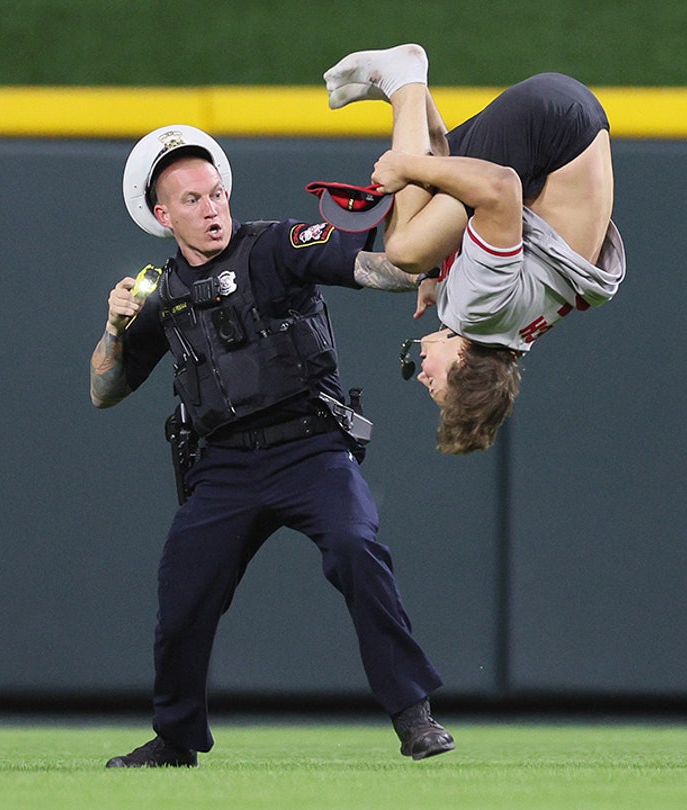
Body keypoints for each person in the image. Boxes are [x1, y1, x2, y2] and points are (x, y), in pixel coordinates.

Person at [91, 124, 454, 767]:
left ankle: (413, 715)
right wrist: (115, 329)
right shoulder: (160, 294)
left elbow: (377, 269)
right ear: (162, 213)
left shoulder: (276, 246)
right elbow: (105, 390)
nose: (212, 209)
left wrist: (423, 262)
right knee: (183, 590)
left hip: (308, 447)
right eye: (194, 200)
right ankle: (176, 740)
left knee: (355, 546)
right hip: (224, 466)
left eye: (217, 193)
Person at [321, 44, 627, 455]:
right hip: (550, 129)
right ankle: (402, 80)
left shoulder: (508, 333)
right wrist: (404, 168)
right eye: (437, 387)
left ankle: (409, 91)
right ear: (462, 363)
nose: (424, 379)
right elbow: (501, 189)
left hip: (574, 122)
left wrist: (439, 278)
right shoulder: (479, 313)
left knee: (434, 216)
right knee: (406, 249)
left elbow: (484, 212)